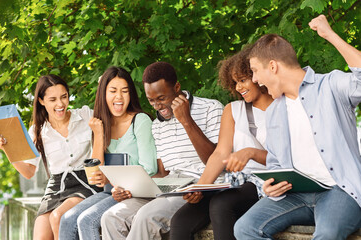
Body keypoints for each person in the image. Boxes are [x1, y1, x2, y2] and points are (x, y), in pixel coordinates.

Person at [234, 15, 361, 239]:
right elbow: (275, 163)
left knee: (327, 234)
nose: (254, 80)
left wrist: (330, 35)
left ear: (272, 66)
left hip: (339, 191)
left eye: (255, 71)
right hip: (296, 195)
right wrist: (270, 187)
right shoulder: (274, 111)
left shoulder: (329, 86)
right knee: (244, 228)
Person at [100, 61, 223, 240]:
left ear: (177, 87)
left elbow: (216, 160)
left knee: (145, 217)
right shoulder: (157, 125)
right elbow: (164, 173)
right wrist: (129, 188)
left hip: (204, 185)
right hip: (173, 186)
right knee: (112, 217)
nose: (157, 106)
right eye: (151, 100)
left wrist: (186, 120)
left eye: (161, 98)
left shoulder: (211, 109)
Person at [169, 46, 273, 240]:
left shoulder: (282, 107)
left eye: (243, 80)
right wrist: (200, 188)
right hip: (235, 182)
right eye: (235, 82)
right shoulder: (233, 110)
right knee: (181, 220)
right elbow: (220, 154)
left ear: (258, 76)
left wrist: (250, 153)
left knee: (222, 204)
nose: (238, 88)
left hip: (265, 181)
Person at [0, 75, 100, 240]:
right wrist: (7, 149)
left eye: (64, 97)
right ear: (42, 101)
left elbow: (108, 116)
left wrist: (104, 84)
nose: (60, 104)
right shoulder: (37, 131)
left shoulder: (85, 115)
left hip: (84, 181)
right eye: (53, 99)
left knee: (58, 217)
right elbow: (28, 172)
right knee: (40, 235)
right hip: (56, 186)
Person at [59, 66, 158, 240]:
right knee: (67, 219)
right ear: (104, 94)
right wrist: (98, 134)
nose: (119, 97)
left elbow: (149, 168)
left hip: (134, 193)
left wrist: (112, 179)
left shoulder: (140, 121)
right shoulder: (101, 125)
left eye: (124, 91)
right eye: (113, 91)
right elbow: (96, 176)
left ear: (131, 94)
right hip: (108, 192)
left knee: (87, 220)